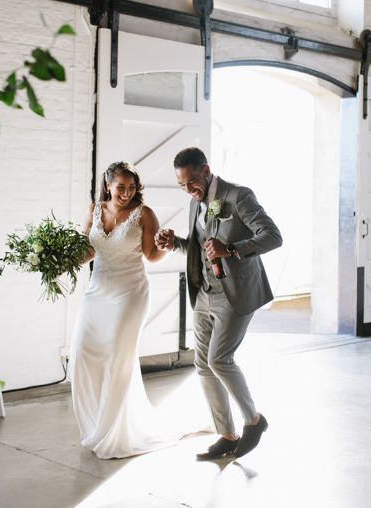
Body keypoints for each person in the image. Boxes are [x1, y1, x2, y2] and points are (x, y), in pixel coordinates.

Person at [155, 147, 282, 460]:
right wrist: (176, 244)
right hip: (204, 293)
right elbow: (201, 248)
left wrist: (233, 249)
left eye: (193, 182)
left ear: (207, 170)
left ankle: (254, 420)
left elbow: (273, 236)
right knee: (202, 364)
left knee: (219, 359)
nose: (189, 190)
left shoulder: (238, 196)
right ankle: (226, 434)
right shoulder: (194, 203)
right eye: (182, 185)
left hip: (235, 293)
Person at [70, 161, 178, 459]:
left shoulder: (144, 214)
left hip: (130, 292)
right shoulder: (95, 209)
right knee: (82, 355)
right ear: (108, 185)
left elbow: (151, 255)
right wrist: (58, 260)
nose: (126, 193)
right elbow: (89, 250)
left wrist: (167, 246)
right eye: (121, 187)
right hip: (97, 292)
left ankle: (115, 434)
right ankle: (95, 426)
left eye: (132, 188)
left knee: (118, 360)